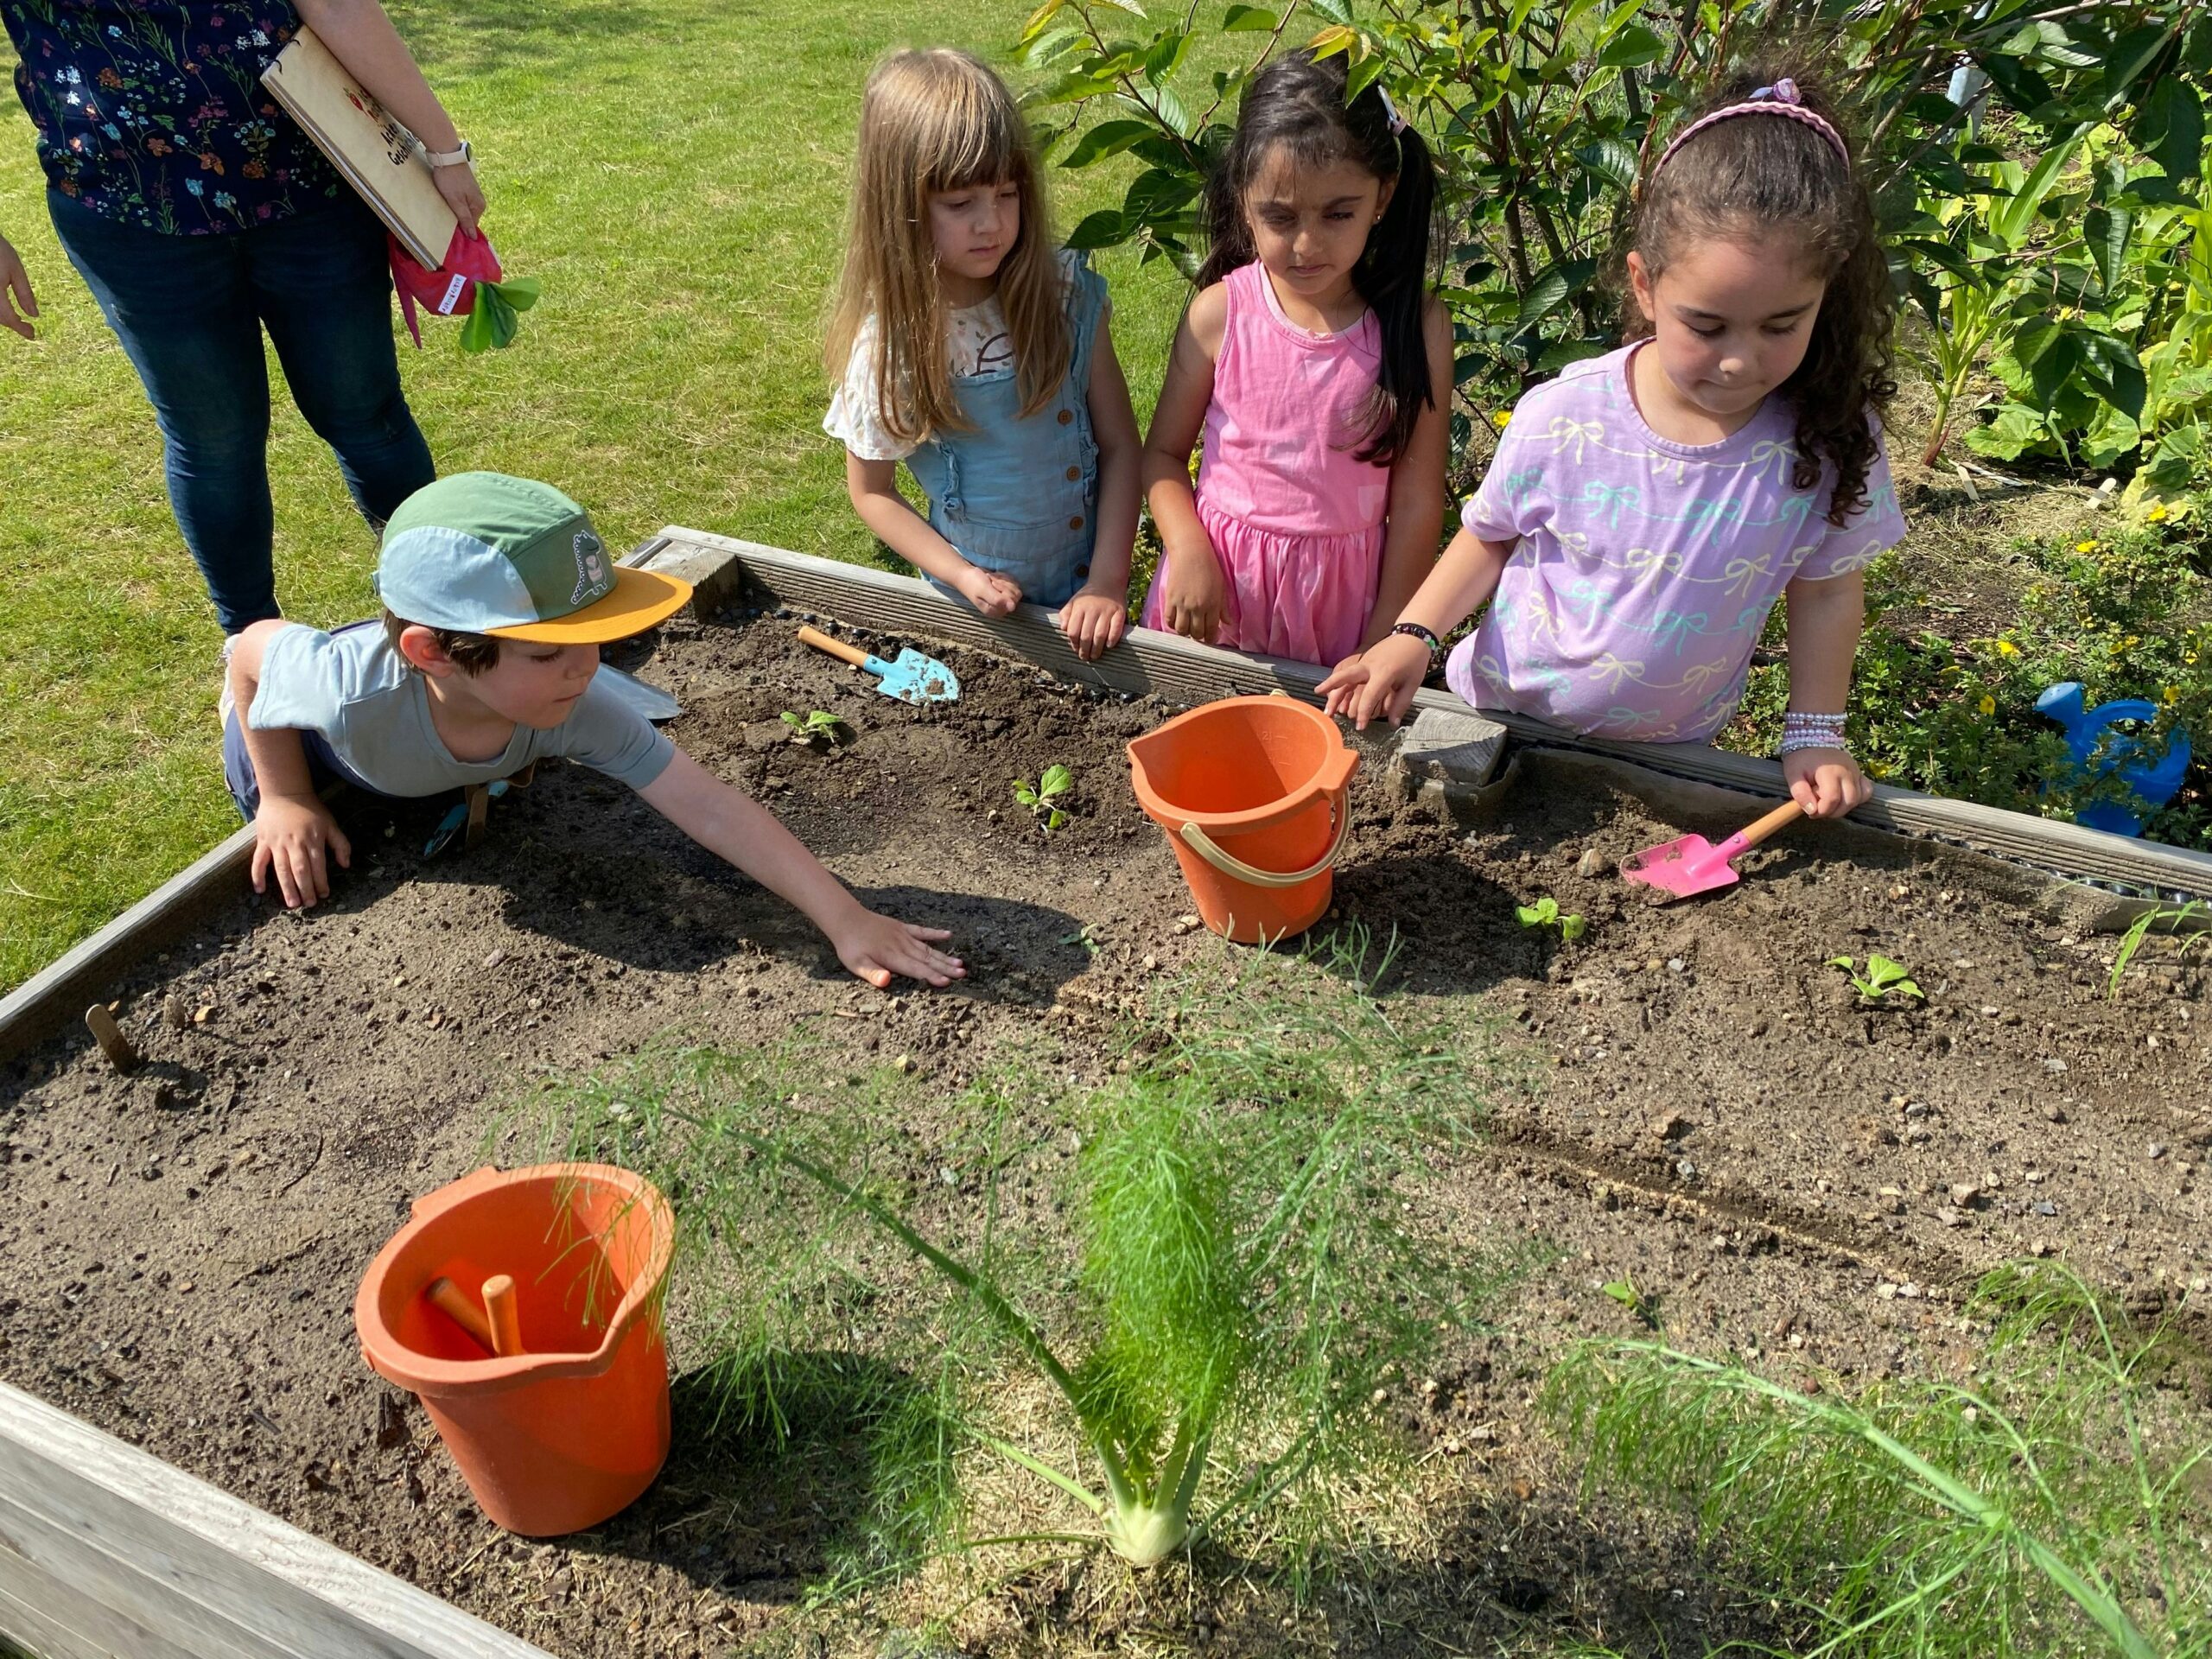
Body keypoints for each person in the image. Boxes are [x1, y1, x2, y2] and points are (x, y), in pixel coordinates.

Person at [1321, 71, 1904, 819]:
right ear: (1644, 285)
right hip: (1498, 720)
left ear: (1829, 293)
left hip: (1670, 755)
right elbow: (1490, 536)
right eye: (1707, 325)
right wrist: (1414, 634)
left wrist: (1816, 731)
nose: (1739, 360)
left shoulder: (1828, 440)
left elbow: (1825, 591)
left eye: (1781, 325)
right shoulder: (1567, 415)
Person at [221, 473, 968, 991]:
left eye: (595, 641)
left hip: (458, 737)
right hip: (317, 754)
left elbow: (708, 805)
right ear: (433, 651)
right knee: (305, 821)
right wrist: (284, 799)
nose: (586, 669)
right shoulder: (347, 690)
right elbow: (249, 651)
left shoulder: (570, 699)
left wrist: (846, 916)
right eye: (550, 651)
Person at [0, 0, 485, 634]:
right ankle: (250, 646)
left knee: (367, 414)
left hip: (310, 185)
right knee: (215, 442)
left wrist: (445, 152)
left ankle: (444, 618)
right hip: (129, 212)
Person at [825, 48, 1142, 664]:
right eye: (960, 203)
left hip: (1092, 603)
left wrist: (1108, 581)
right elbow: (872, 494)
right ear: (903, 209)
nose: (991, 223)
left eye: (1006, 193)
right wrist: (965, 577)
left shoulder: (1063, 295)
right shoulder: (894, 347)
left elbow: (1121, 444)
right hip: (975, 619)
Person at [1138, 49, 1451, 671]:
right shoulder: (1220, 314)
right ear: (1243, 199)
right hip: (1216, 607)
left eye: (1339, 214)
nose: (1306, 246)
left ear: (1383, 195)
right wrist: (1188, 547)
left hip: (1341, 622)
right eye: (1279, 217)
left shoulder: (1417, 328)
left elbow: (1417, 501)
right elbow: (1163, 456)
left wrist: (1385, 640)